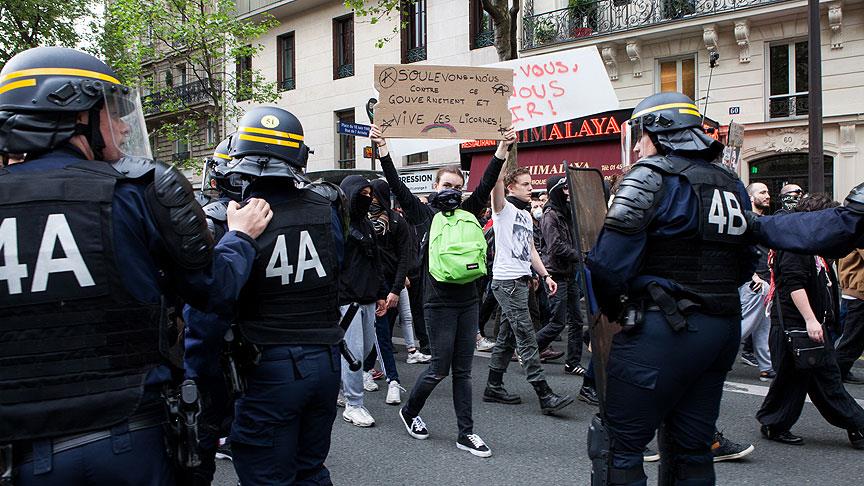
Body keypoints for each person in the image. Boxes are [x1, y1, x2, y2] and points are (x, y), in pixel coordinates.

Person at [0, 47, 271, 486]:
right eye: (110, 111)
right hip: (128, 432)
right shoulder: (139, 194)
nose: (124, 126)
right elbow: (212, 290)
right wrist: (239, 238)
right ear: (72, 114)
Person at [587, 91, 864, 485]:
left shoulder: (650, 176)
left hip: (659, 330)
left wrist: (619, 310)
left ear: (654, 131)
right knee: (692, 450)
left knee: (619, 448)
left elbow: (607, 265)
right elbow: (746, 260)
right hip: (719, 329)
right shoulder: (730, 184)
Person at [213, 106, 345, 484]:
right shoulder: (327, 207)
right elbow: (340, 268)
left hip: (268, 364)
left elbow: (216, 297)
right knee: (311, 471)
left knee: (267, 477)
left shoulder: (234, 219)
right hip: (325, 360)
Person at [371, 124, 516, 458]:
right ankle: (409, 411)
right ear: (435, 187)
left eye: (457, 186)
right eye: (446, 185)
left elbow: (488, 180)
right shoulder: (423, 213)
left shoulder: (469, 211)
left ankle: (466, 433)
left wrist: (501, 148)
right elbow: (395, 184)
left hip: (467, 303)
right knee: (439, 368)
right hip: (437, 305)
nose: (452, 190)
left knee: (463, 372)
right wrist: (383, 149)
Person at [756, 194, 864, 448]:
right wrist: (811, 320)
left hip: (803, 327)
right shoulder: (795, 243)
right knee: (827, 381)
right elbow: (793, 285)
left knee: (794, 380)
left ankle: (773, 422)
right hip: (798, 326)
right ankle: (858, 425)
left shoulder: (808, 242)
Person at [483, 167, 574, 415]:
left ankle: (493, 386)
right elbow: (496, 181)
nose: (530, 187)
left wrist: (545, 276)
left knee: (507, 337)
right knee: (525, 336)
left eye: (530, 183)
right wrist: (503, 149)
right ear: (511, 187)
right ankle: (544, 393)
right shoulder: (503, 210)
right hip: (507, 282)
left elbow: (531, 251)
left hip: (522, 280)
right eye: (525, 184)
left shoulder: (525, 215)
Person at [360, 178, 415, 405]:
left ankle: (365, 370)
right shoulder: (363, 222)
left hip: (393, 285)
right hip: (374, 287)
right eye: (368, 197)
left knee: (381, 331)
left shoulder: (396, 221)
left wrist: (397, 286)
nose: (371, 201)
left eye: (374, 196)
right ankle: (393, 379)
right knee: (381, 332)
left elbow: (404, 257)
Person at [338, 175, 388, 427]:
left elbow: (375, 261)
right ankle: (353, 404)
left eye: (370, 194)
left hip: (368, 297)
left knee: (365, 349)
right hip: (348, 300)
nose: (367, 199)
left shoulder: (366, 225)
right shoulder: (337, 223)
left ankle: (341, 389)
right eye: (362, 194)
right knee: (354, 353)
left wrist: (381, 292)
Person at [536, 175, 586, 375]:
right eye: (564, 189)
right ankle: (527, 350)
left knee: (576, 321)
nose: (567, 192)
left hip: (569, 272)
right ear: (555, 190)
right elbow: (555, 246)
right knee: (558, 322)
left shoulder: (566, 212)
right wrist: (580, 256)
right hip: (555, 274)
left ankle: (572, 362)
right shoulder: (550, 215)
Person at [739, 182, 775, 381]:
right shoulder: (745, 221)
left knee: (763, 326)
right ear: (751, 198)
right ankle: (711, 360)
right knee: (746, 325)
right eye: (763, 192)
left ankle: (767, 367)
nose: (767, 195)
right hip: (754, 282)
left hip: (765, 281)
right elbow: (742, 251)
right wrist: (753, 276)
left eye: (768, 191)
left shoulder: (764, 221)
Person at [837, 249, 864, 384]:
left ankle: (840, 371)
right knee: (852, 340)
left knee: (852, 339)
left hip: (854, 290)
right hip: (858, 292)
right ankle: (836, 374)